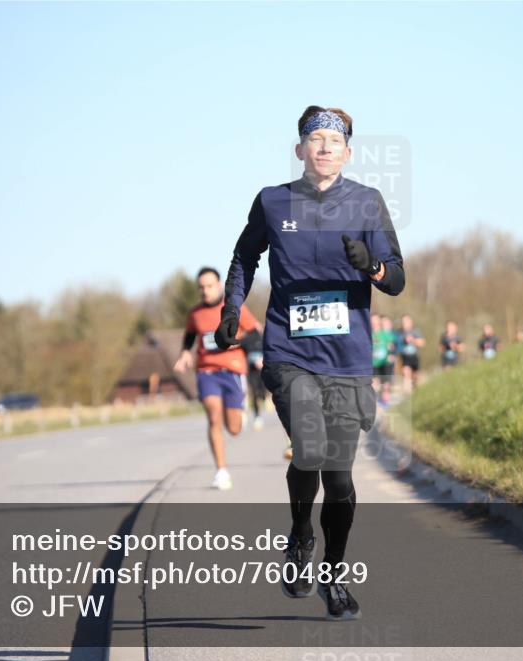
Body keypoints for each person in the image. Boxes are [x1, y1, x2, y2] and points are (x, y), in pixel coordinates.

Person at [215, 105, 405, 621]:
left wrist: (374, 265)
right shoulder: (273, 201)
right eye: (314, 138)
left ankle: (334, 575)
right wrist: (233, 307)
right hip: (289, 352)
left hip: (347, 359)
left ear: (347, 152)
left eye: (333, 140)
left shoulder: (367, 203)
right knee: (310, 447)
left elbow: (396, 279)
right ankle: (300, 534)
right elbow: (243, 257)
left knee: (340, 477)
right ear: (299, 150)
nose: (324, 147)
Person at [173, 266, 261, 491]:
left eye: (209, 286)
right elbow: (190, 335)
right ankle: (221, 471)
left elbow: (254, 331)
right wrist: (184, 353)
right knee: (213, 417)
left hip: (233, 370)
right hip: (207, 371)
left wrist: (257, 354)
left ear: (219, 285)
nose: (205, 291)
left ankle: (239, 413)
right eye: (201, 287)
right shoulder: (195, 314)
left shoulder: (234, 308)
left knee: (233, 429)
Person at [371, 314, 396, 407]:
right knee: (374, 384)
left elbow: (391, 346)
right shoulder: (369, 334)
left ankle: (387, 405)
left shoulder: (385, 334)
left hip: (385, 363)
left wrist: (391, 354)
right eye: (372, 321)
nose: (374, 323)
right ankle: (375, 405)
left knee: (386, 385)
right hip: (374, 363)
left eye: (376, 321)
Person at [397, 314, 425, 392]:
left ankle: (415, 389)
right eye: (403, 322)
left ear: (411, 322)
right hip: (404, 357)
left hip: (414, 356)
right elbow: (396, 344)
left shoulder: (415, 332)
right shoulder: (399, 333)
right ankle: (407, 393)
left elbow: (422, 343)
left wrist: (412, 340)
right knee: (406, 372)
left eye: (406, 321)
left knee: (415, 376)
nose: (405, 324)